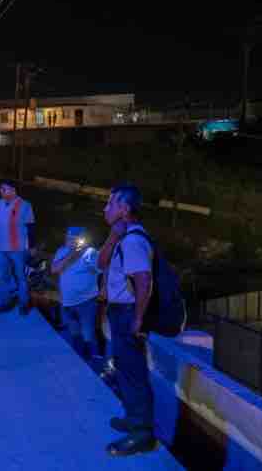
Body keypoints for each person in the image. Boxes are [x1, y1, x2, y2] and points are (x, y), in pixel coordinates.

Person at [98, 183, 157, 456]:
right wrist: (112, 235)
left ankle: (143, 434)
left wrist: (138, 320)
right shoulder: (121, 236)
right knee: (124, 368)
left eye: (110, 203)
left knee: (134, 373)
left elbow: (144, 281)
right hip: (118, 311)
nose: (105, 208)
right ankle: (134, 419)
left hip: (127, 313)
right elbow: (101, 262)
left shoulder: (133, 240)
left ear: (124, 208)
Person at [50, 227, 101, 361]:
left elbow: (101, 269)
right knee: (74, 331)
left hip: (86, 301)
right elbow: (54, 269)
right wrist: (72, 255)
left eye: (73, 238)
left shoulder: (91, 253)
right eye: (68, 237)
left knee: (87, 333)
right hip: (67, 301)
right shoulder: (61, 251)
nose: (69, 240)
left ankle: (92, 357)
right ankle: (79, 357)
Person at [0, 180, 36, 315]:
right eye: (1, 189)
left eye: (5, 189)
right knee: (3, 277)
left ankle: (24, 303)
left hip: (18, 248)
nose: (2, 192)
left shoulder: (25, 205)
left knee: (20, 277)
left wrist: (32, 246)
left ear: (13, 190)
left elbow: (31, 227)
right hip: (1, 248)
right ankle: (5, 302)